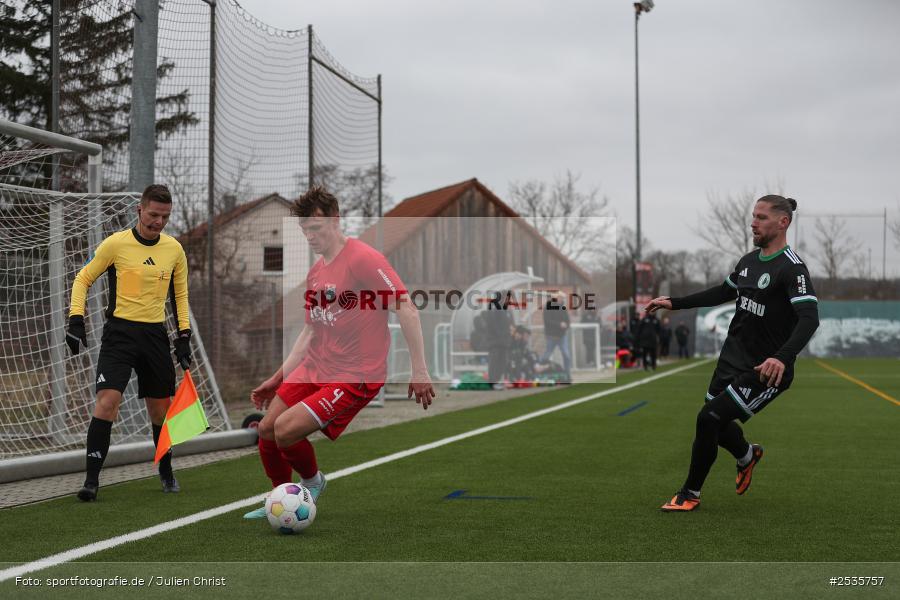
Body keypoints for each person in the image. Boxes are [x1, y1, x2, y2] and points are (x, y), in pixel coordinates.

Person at [243, 186, 435, 518]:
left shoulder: (363, 259)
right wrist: (278, 377)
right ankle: (280, 499)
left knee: (286, 430)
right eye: (305, 230)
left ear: (336, 220)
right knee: (266, 429)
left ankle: (311, 484)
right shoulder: (316, 272)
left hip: (354, 375)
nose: (310, 235)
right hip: (317, 365)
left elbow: (406, 308)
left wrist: (420, 370)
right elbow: (309, 331)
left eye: (315, 228)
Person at [644, 195, 819, 512]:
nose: (754, 222)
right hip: (732, 358)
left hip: (766, 369)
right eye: (753, 216)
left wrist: (782, 357)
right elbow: (724, 292)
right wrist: (676, 301)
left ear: (783, 222)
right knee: (717, 423)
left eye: (762, 217)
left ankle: (690, 494)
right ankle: (748, 456)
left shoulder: (793, 269)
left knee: (708, 417)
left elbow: (810, 318)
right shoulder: (749, 261)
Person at [66, 184, 192, 501]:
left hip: (154, 337)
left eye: (164, 216)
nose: (158, 221)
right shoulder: (115, 245)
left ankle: (166, 471)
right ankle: (91, 482)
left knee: (160, 413)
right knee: (107, 401)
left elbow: (180, 297)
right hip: (119, 335)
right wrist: (75, 319)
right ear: (139, 210)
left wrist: (184, 336)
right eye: (153, 214)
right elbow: (82, 278)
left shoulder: (174, 250)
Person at [540, 291, 572, 382]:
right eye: (561, 297)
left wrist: (566, 325)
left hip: (562, 336)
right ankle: (539, 371)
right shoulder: (548, 307)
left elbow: (567, 321)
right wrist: (559, 324)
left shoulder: (563, 308)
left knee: (566, 355)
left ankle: (567, 375)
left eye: (563, 298)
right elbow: (547, 321)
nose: (562, 299)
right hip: (551, 336)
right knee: (547, 355)